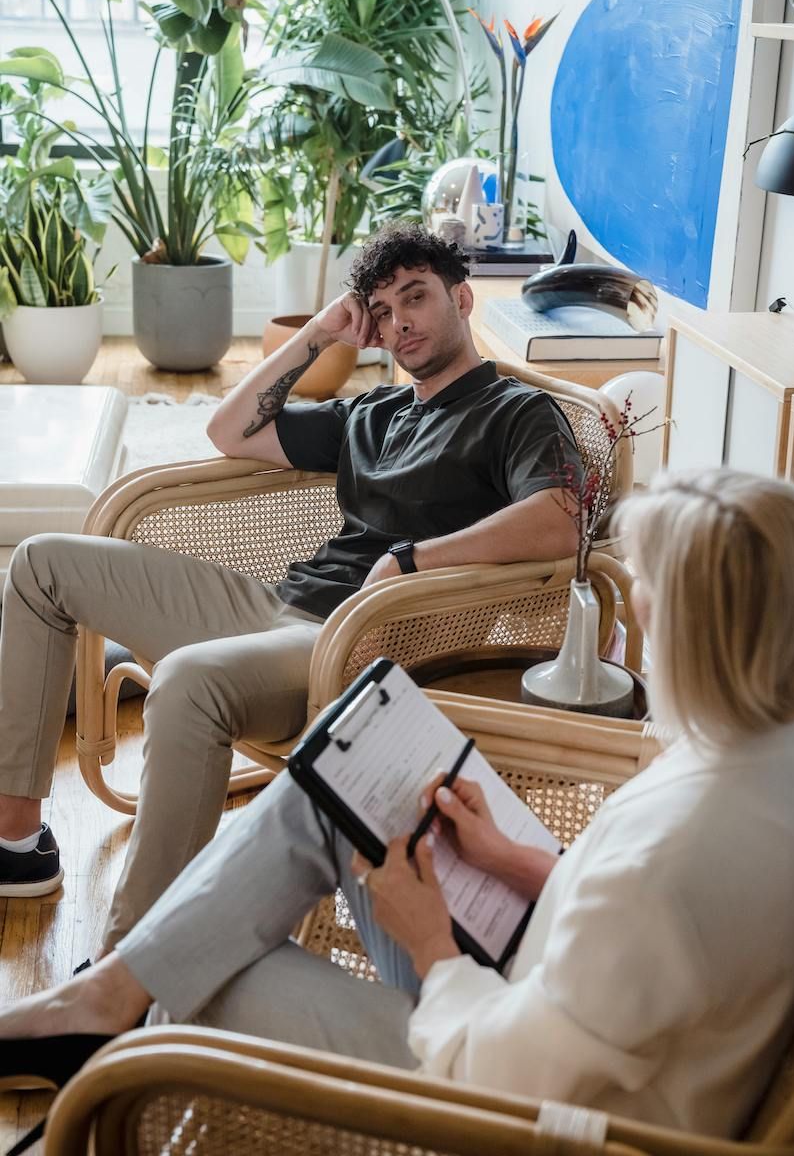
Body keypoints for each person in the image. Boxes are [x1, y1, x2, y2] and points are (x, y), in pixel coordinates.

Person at [2, 467, 794, 1141]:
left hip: (517, 1112)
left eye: (649, 594)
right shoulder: (761, 757)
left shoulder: (676, 853)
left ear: (697, 636)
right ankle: (104, 994)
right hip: (550, 1004)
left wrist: (430, 943)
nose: (639, 614)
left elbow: (506, 1082)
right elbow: (638, 948)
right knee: (327, 794)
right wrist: (520, 862)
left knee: (204, 974)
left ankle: (113, 1036)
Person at [0, 222, 580, 952]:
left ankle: (133, 966)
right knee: (42, 564)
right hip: (273, 606)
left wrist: (414, 560)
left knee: (185, 680)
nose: (399, 321)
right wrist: (319, 333)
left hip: (355, 641)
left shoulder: (515, 412)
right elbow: (230, 431)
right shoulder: (374, 411)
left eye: (416, 297)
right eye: (382, 309)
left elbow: (563, 515)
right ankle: (18, 846)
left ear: (461, 299)